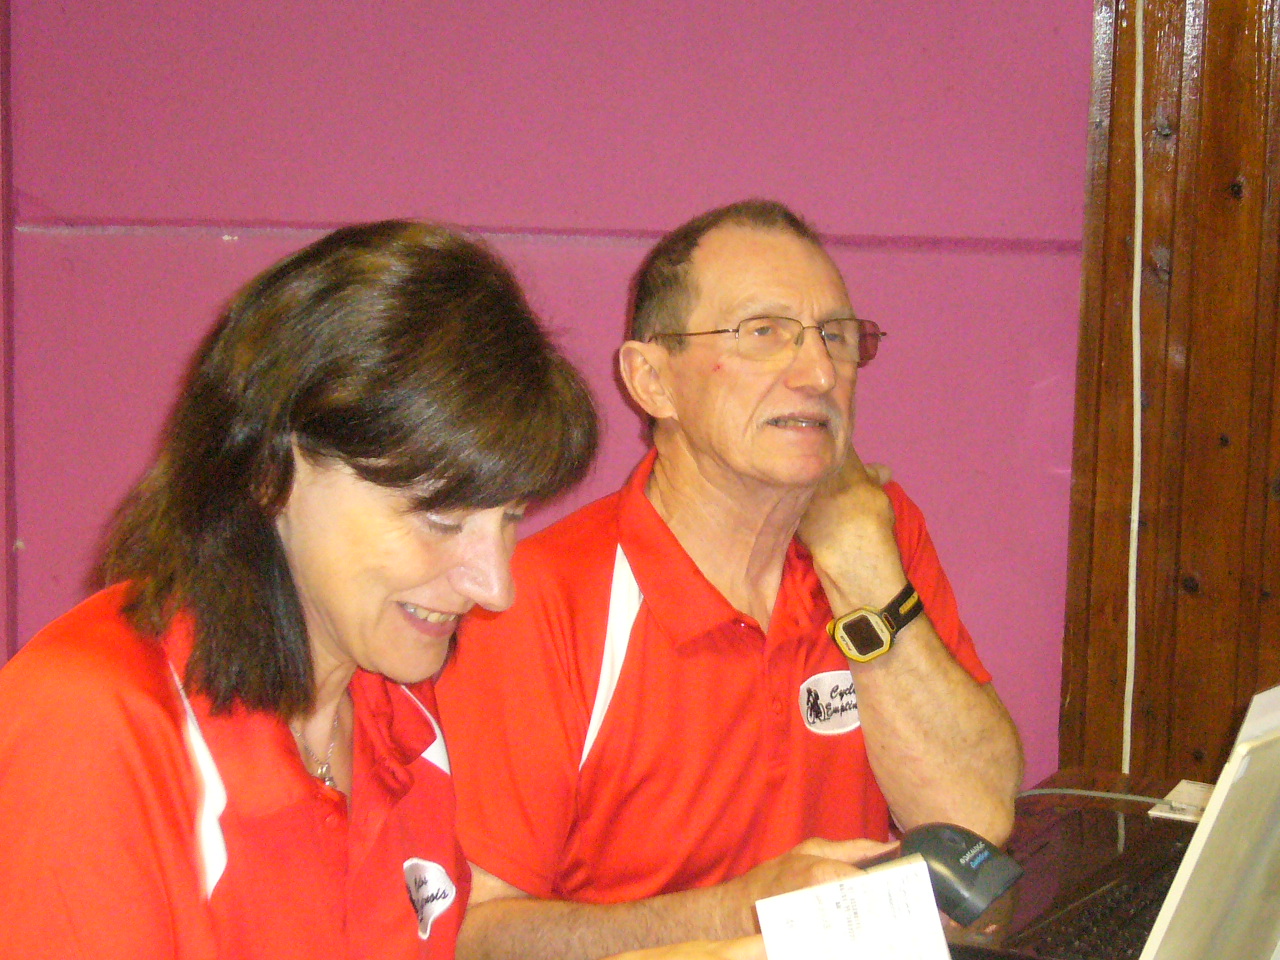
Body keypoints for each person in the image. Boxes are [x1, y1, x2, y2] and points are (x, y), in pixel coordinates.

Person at [0, 220, 763, 960]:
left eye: (508, 519)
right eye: (439, 518)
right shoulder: (90, 727)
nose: (493, 586)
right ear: (270, 471)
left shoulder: (403, 717)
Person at [436, 199, 1025, 960]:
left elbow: (975, 820)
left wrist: (860, 559)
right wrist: (741, 914)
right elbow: (476, 938)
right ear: (652, 380)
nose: (818, 373)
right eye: (764, 333)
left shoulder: (879, 536)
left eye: (836, 336)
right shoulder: (535, 598)